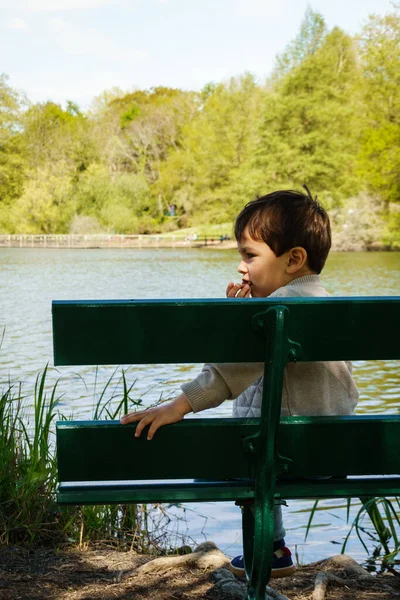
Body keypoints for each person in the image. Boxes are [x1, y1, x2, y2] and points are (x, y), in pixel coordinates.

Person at [121, 187, 359, 578]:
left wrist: (176, 406)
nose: (241, 266)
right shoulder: (330, 307)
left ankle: (267, 549)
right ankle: (275, 550)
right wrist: (244, 317)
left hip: (275, 456)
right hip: (331, 456)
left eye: (250, 255)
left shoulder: (275, 311)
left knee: (240, 452)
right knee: (258, 443)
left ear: (294, 259)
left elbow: (225, 375)